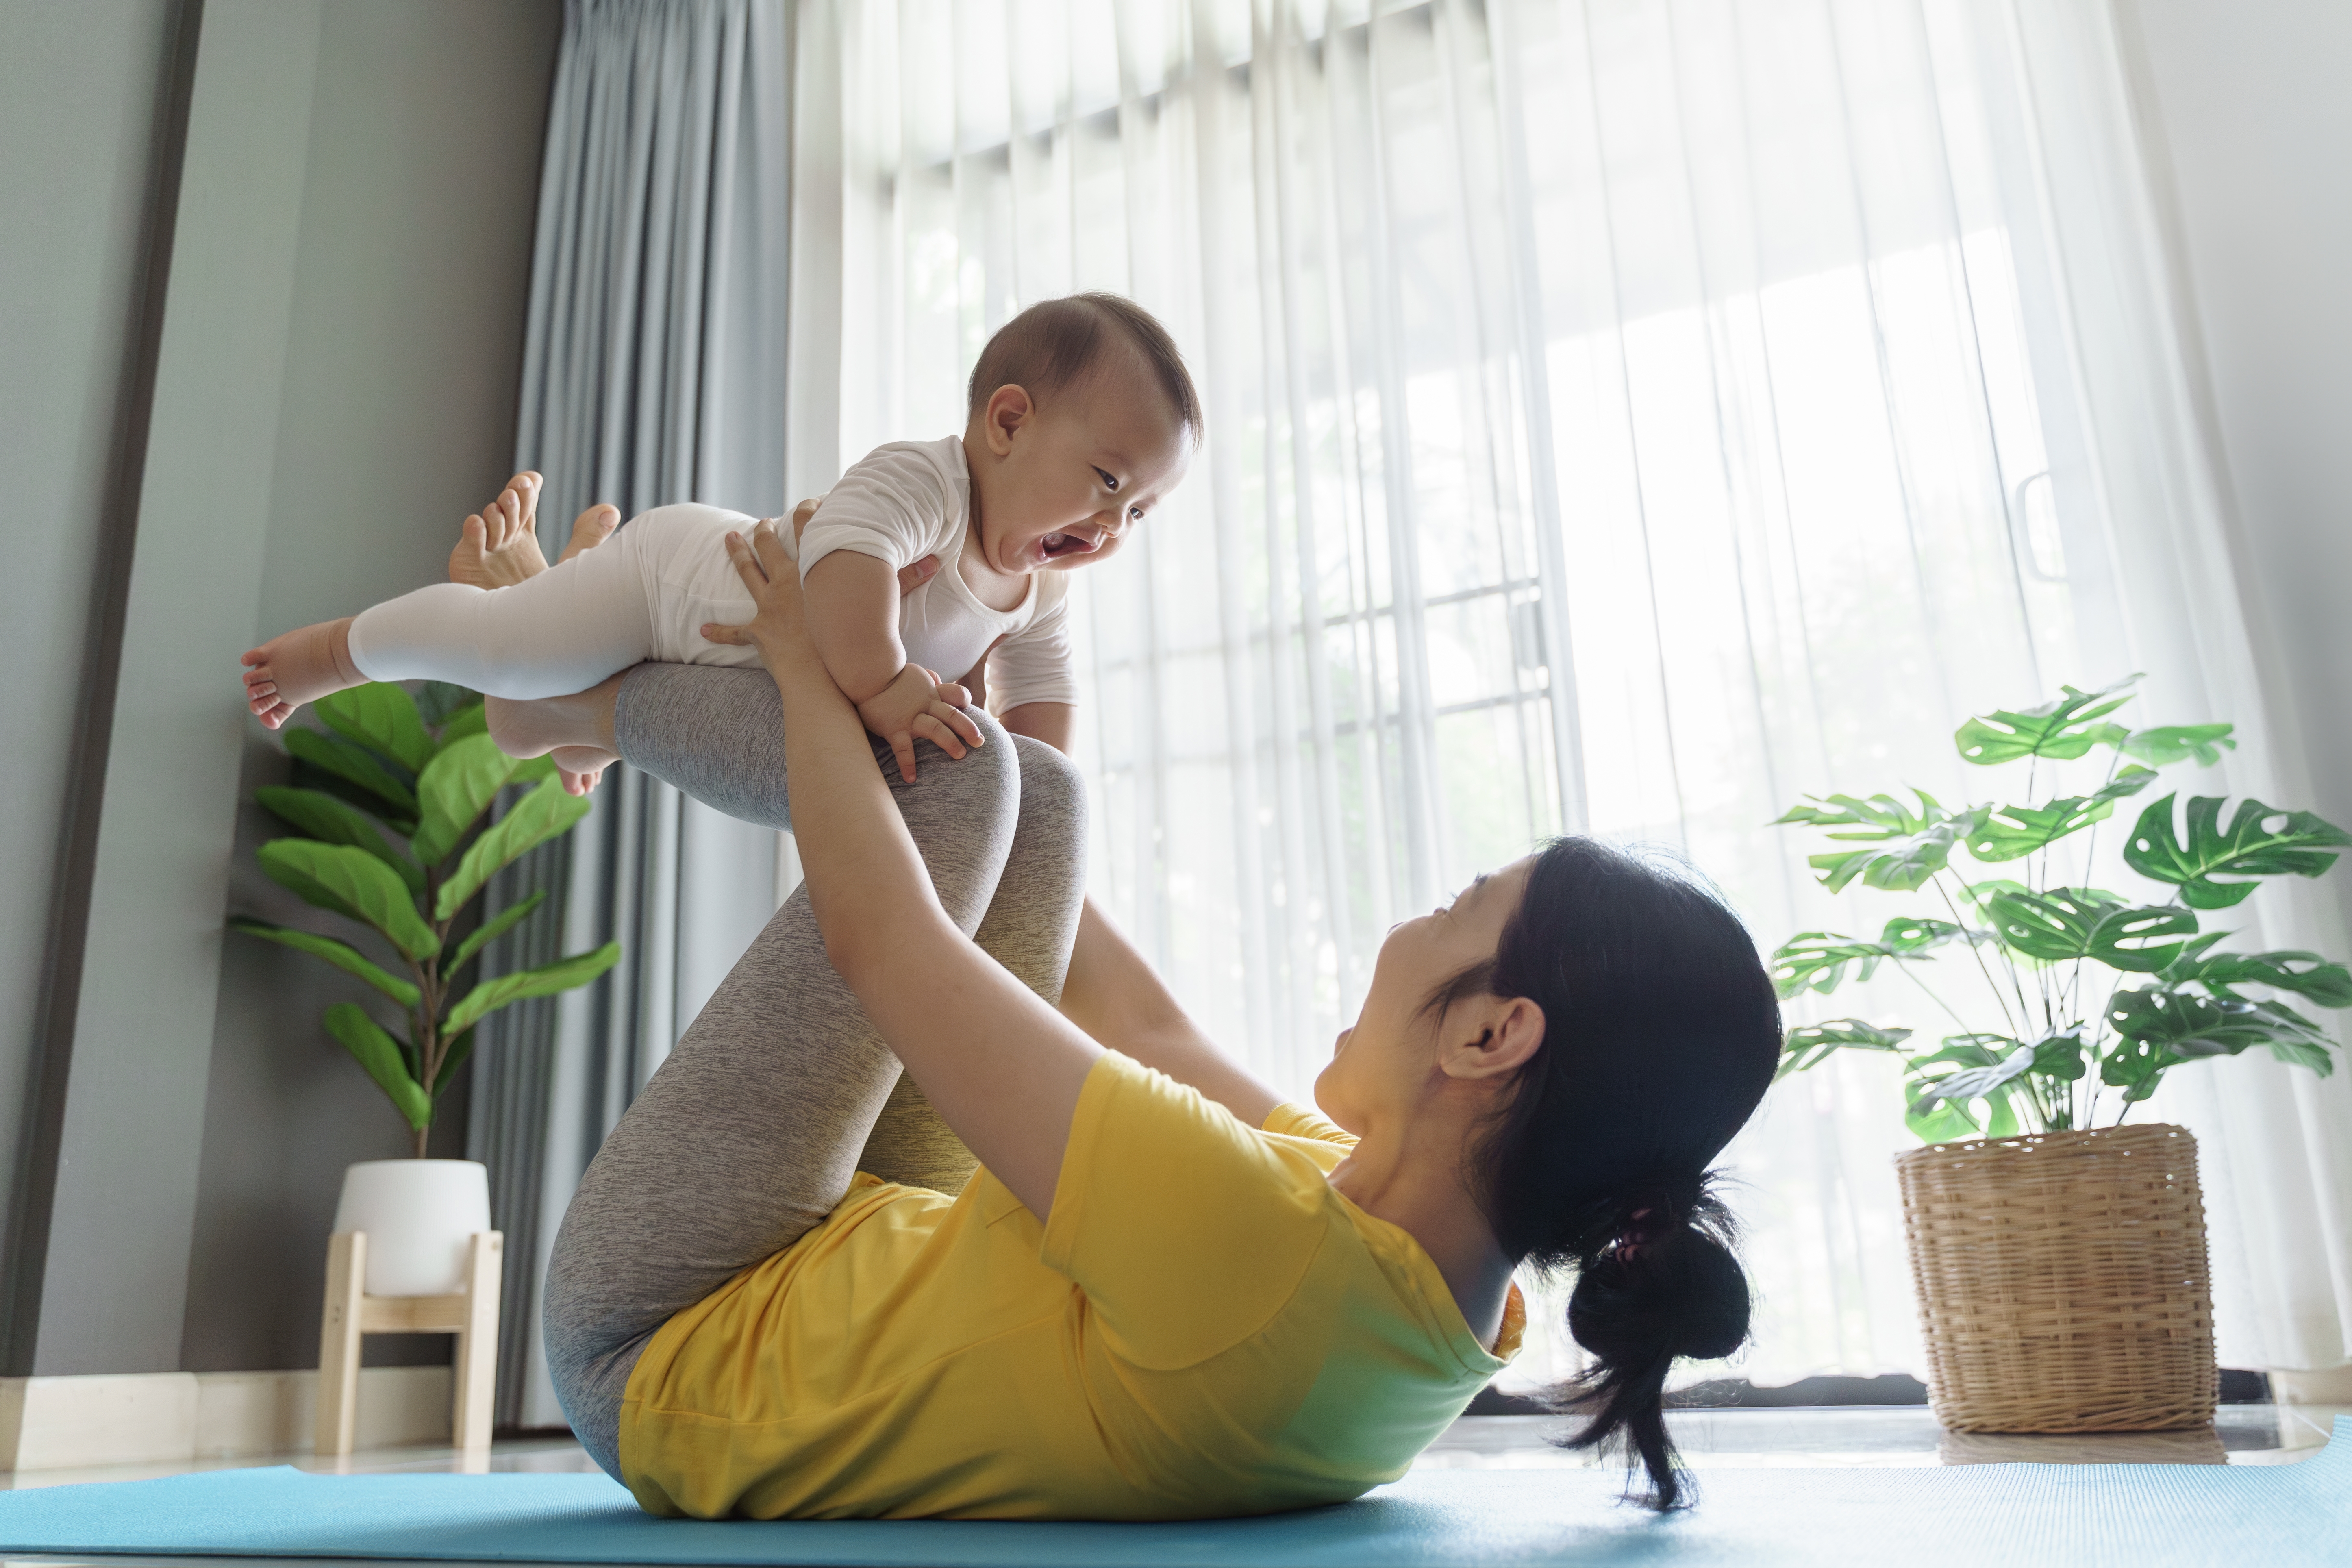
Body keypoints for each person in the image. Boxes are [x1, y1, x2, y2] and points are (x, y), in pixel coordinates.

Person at [516, 518, 1784, 1519]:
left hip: (674, 1337)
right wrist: (966, 704)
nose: (1409, 925)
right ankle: (562, 661)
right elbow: (1144, 1024)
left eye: (1458, 905)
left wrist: (809, 665)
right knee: (1028, 788)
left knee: (955, 791)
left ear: (1492, 1036)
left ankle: (558, 697)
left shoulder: (1254, 1247)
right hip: (841, 1270)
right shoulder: (1424, 1293)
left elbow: (885, 946)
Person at [237, 292, 1200, 784]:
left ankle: (565, 590)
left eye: (1139, 513)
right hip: (674, 582)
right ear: (1007, 422)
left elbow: (1046, 695)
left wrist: (1037, 779)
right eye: (1107, 483)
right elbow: (844, 566)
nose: (1110, 527)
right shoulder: (928, 484)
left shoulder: (1043, 591)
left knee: (545, 712)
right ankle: (333, 652)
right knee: (505, 650)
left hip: (728, 665)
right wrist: (888, 685)